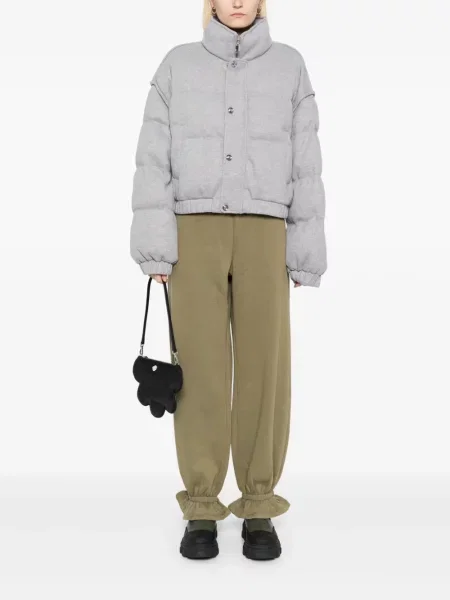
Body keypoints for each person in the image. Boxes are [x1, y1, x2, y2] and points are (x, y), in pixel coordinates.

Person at [129, 0, 326, 561]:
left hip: (266, 231)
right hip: (194, 231)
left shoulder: (289, 66)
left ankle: (259, 504)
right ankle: (201, 506)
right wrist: (156, 244)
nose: (237, 1)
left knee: (266, 367)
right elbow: (152, 158)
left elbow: (306, 162)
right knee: (200, 370)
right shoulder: (177, 65)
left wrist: (304, 250)